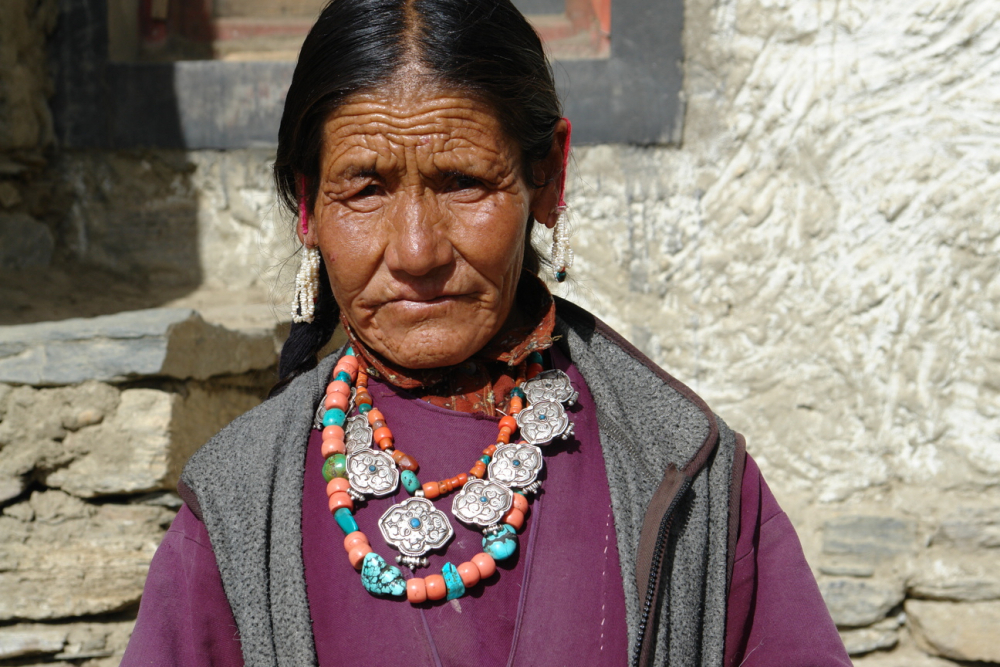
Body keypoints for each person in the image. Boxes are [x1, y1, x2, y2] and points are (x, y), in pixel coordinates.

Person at [121, 1, 851, 665]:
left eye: (464, 181)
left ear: (550, 177)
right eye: (367, 188)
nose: (416, 250)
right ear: (309, 207)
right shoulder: (241, 506)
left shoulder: (687, 473)